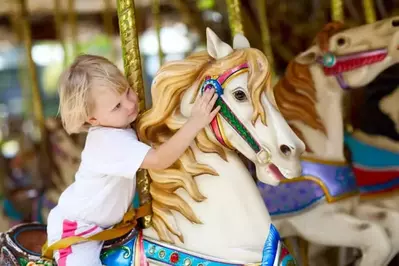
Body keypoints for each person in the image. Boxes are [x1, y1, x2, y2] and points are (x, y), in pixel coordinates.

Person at [46, 54, 220, 266]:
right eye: (116, 106)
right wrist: (195, 122)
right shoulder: (108, 142)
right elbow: (159, 159)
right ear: (93, 119)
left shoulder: (119, 125)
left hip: (108, 226)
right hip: (77, 232)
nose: (129, 105)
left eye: (127, 91)